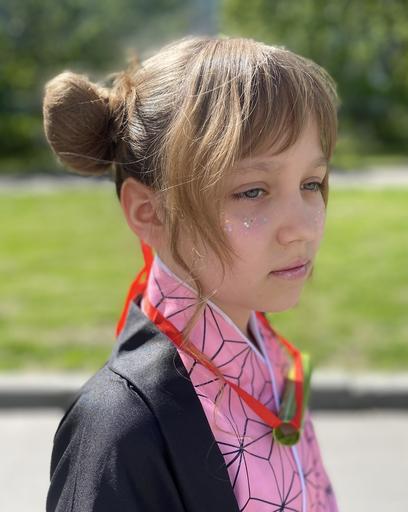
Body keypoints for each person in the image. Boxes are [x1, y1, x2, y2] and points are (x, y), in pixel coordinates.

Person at [43, 34, 340, 511]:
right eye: (253, 191)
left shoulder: (266, 351)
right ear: (149, 212)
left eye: (311, 183)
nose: (302, 228)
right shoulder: (120, 425)